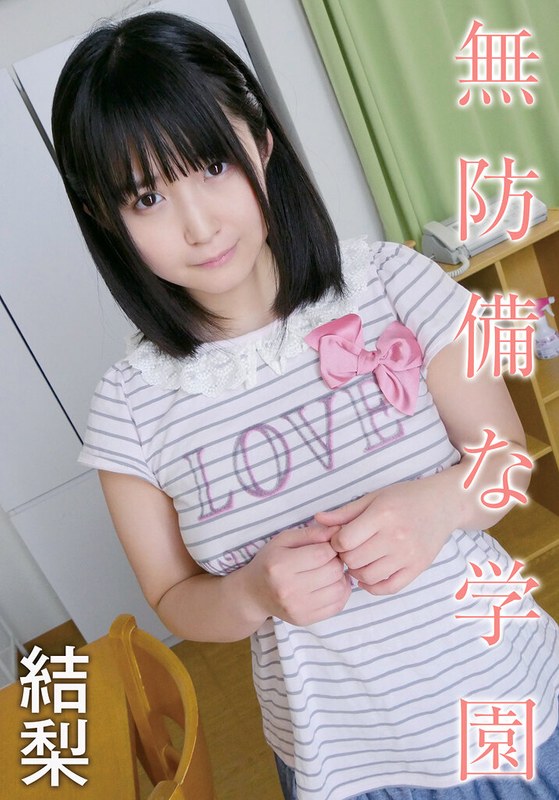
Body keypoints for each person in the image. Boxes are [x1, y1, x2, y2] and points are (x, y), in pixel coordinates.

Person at [51, 11, 559, 800]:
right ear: (103, 215)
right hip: (343, 771)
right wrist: (249, 593)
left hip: (515, 708)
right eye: (147, 196)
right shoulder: (129, 408)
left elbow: (505, 460)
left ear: (260, 141)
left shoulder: (392, 283)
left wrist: (436, 504)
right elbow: (173, 599)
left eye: (212, 164)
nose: (199, 225)